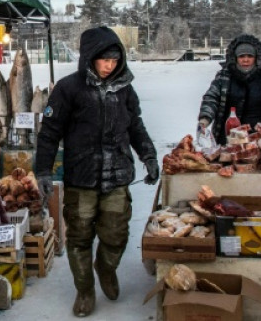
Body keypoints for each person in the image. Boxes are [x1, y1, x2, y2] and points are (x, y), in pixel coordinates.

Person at [34, 26, 159, 317]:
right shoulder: (68, 89)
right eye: (104, 60)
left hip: (117, 176)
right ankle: (85, 290)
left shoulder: (125, 89)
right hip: (81, 178)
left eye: (115, 60)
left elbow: (136, 127)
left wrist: (149, 156)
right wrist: (43, 171)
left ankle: (105, 268)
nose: (109, 66)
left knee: (116, 233)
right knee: (79, 238)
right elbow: (49, 133)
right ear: (90, 58)